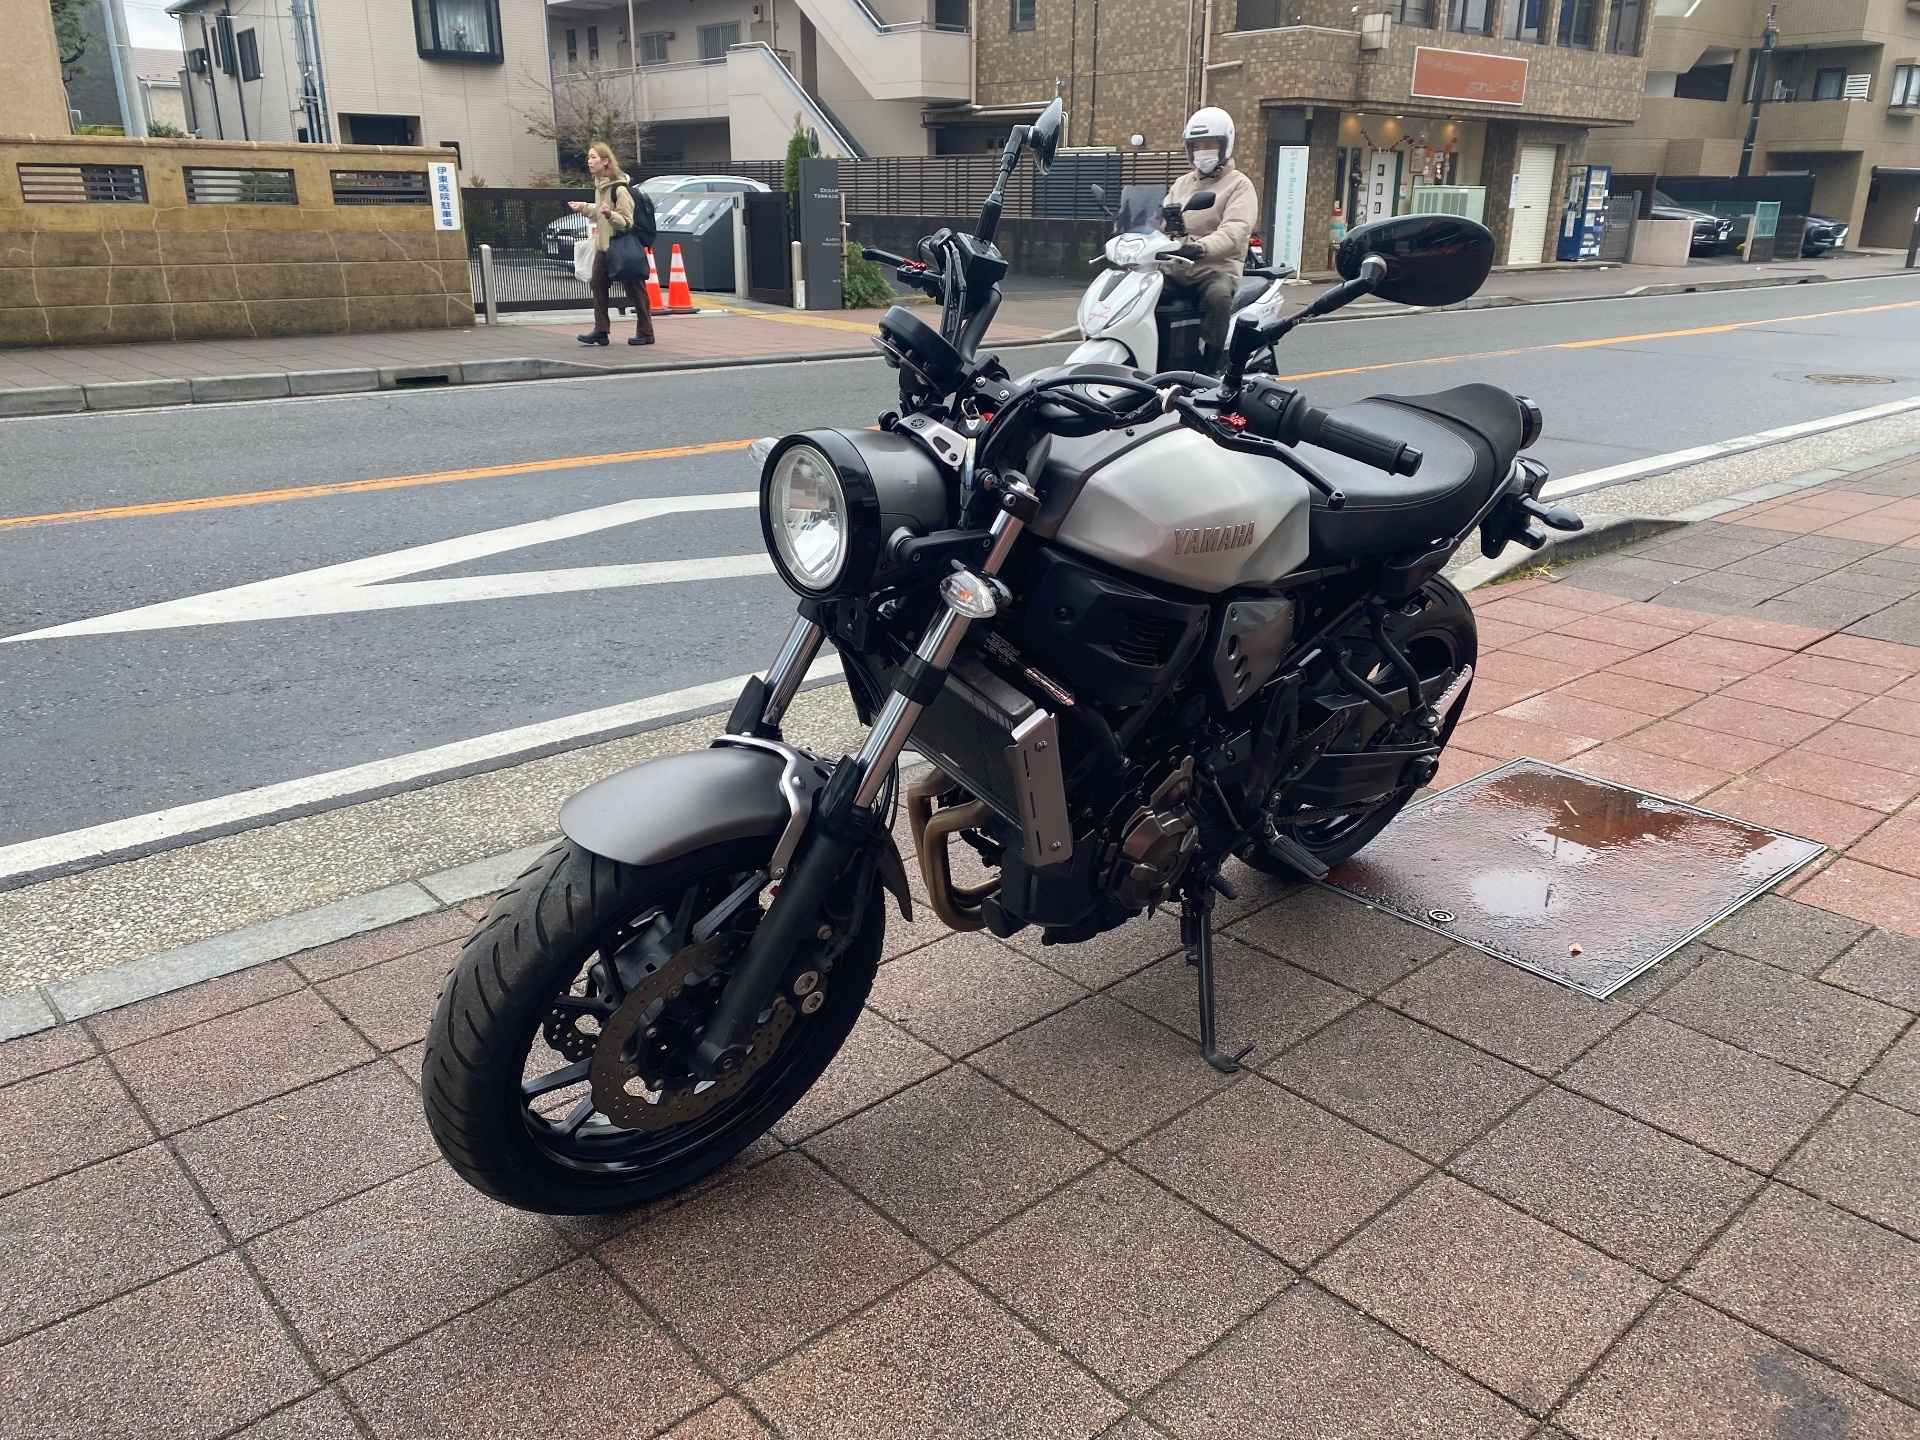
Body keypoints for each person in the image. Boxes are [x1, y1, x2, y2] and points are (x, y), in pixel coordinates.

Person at [1164, 107, 1258, 372]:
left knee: (1218, 296)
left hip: (1215, 268)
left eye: (1209, 144)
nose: (1202, 151)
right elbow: (1162, 218)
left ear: (1225, 145)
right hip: (1178, 265)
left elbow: (1235, 229)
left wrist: (1201, 248)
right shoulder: (1182, 184)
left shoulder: (1239, 185)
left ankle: (1211, 364)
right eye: (1196, 146)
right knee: (1142, 292)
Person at [574, 141, 654, 347]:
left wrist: (611, 215)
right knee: (598, 285)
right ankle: (601, 330)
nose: (589, 161)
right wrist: (584, 208)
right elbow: (600, 211)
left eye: (593, 157)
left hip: (621, 247)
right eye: (589, 157)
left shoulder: (619, 189)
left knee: (634, 289)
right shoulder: (600, 185)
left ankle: (646, 332)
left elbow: (627, 222)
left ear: (605, 161)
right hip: (604, 247)